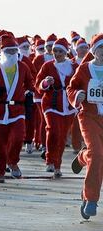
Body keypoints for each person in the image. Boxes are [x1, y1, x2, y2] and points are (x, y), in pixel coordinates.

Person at [0, 34, 35, 183]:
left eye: (14, 51)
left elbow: (30, 83)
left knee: (18, 138)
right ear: (2, 52)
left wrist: (29, 92)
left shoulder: (23, 67)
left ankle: (13, 162)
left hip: (17, 110)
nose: (12, 54)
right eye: (9, 51)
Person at [66, 33, 103, 219]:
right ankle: (91, 199)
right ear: (94, 50)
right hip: (88, 116)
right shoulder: (85, 69)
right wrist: (77, 95)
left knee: (98, 158)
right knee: (97, 154)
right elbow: (71, 88)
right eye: (101, 49)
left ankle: (83, 156)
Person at [37, 38, 76, 177]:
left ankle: (57, 165)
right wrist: (45, 83)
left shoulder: (73, 66)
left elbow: (80, 83)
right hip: (51, 104)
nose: (57, 54)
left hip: (68, 106)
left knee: (62, 136)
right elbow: (38, 85)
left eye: (60, 51)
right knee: (53, 131)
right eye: (55, 51)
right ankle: (49, 159)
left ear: (65, 52)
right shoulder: (47, 66)